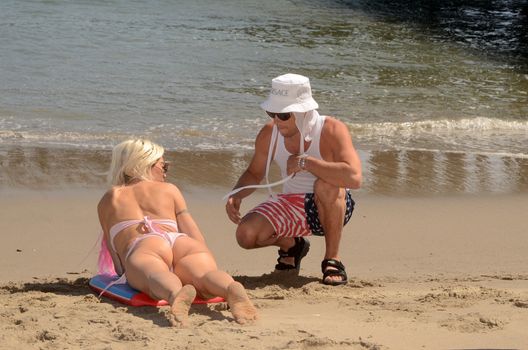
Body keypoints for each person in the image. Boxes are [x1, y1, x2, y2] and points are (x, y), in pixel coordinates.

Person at [97, 139, 258, 326]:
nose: (166, 171)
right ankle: (230, 288)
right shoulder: (169, 190)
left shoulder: (110, 198)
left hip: (145, 245)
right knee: (204, 275)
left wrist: (128, 271)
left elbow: (115, 253)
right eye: (163, 165)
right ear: (145, 164)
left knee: (154, 274)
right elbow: (190, 229)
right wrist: (202, 253)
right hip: (181, 242)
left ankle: (175, 294)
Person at [225, 73, 362, 286]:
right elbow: (254, 173)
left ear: (304, 112)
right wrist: (237, 194)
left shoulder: (332, 129)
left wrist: (307, 163)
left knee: (325, 184)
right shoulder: (269, 133)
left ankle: (332, 259)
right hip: (291, 204)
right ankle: (293, 245)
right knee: (245, 235)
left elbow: (354, 178)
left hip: (332, 204)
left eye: (284, 115)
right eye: (272, 113)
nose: (276, 120)